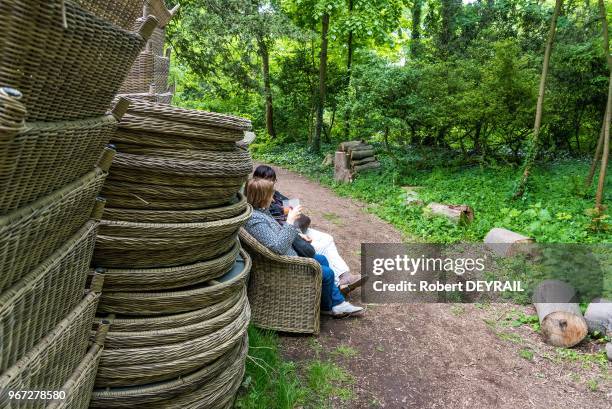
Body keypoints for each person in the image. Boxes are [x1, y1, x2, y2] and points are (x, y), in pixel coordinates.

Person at [244, 178, 363, 317]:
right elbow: (277, 247)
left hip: (289, 254)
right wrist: (290, 221)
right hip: (284, 264)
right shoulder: (255, 220)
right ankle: (330, 307)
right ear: (262, 197)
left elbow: (276, 234)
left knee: (322, 259)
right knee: (327, 273)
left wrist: (298, 235)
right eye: (270, 194)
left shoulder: (262, 212)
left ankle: (335, 302)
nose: (272, 198)